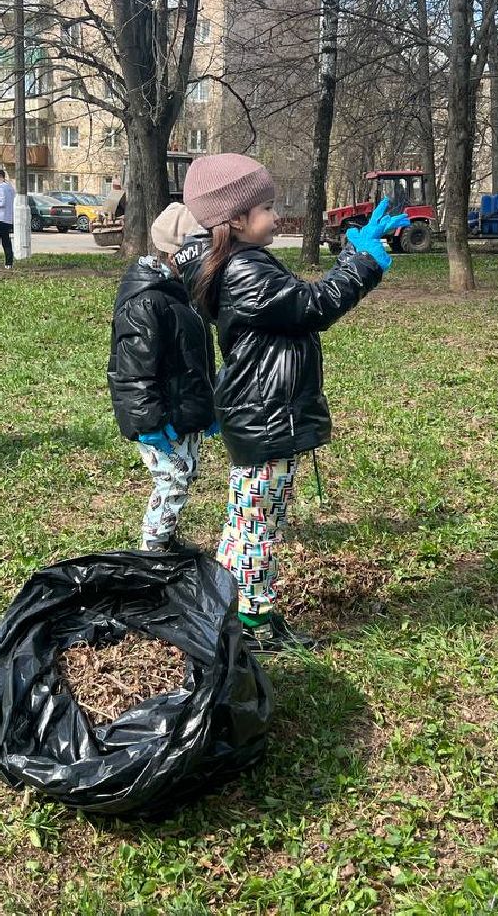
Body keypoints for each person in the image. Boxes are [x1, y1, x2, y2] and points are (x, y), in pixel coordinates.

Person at [180, 153, 408, 654]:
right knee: (259, 522)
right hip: (266, 414)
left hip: (260, 411)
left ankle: (226, 607)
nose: (276, 214)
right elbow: (313, 306)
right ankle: (254, 624)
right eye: (266, 207)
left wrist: (351, 255)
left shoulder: (238, 261)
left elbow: (297, 300)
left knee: (248, 517)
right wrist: (364, 261)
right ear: (235, 219)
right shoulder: (244, 270)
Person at [107, 202, 216, 552]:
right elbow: (134, 371)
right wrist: (150, 423)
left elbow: (195, 357)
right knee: (171, 481)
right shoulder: (148, 302)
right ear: (176, 254)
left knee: (184, 474)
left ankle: (166, 539)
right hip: (160, 417)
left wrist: (208, 409)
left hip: (183, 411)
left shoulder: (182, 295)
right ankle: (154, 550)